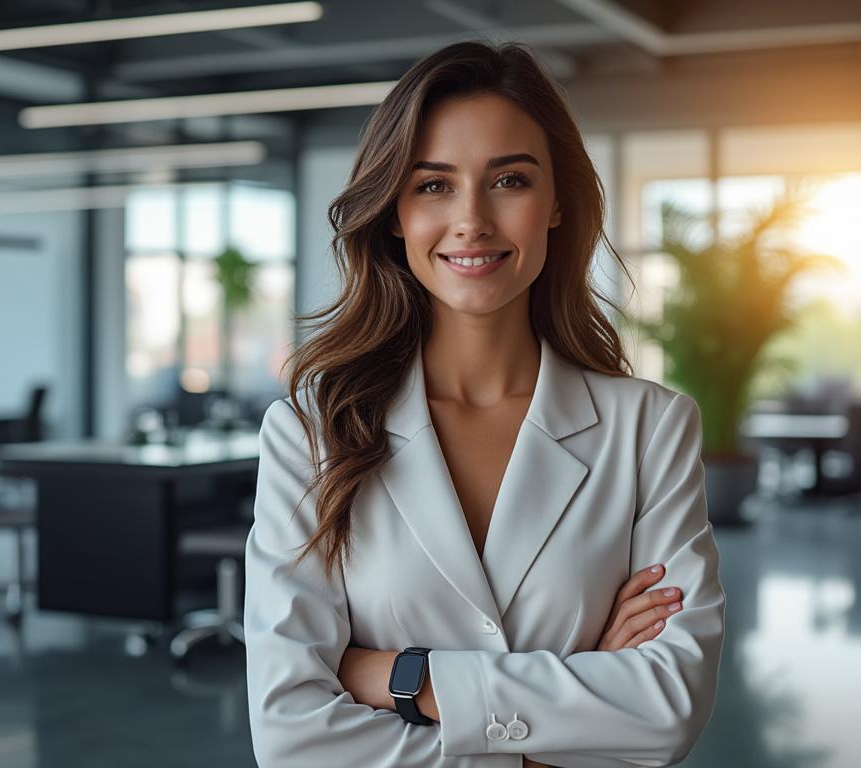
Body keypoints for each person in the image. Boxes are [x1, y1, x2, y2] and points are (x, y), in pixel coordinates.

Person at [244, 40, 725, 768]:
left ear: (558, 202)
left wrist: (399, 677)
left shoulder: (650, 428)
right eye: (433, 185)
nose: (472, 220)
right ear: (395, 213)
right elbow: (291, 735)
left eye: (509, 180)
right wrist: (559, 726)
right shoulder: (309, 433)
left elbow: (666, 709)